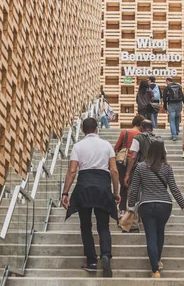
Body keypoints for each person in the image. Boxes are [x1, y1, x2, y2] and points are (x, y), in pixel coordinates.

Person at [61, 118, 120, 277]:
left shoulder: (77, 146)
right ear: (97, 129)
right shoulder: (107, 145)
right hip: (103, 186)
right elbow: (114, 170)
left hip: (84, 186)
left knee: (85, 226)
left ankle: (92, 261)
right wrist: (116, 192)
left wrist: (65, 193)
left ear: (82, 130)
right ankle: (106, 255)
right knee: (103, 226)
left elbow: (72, 171)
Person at [128, 139, 184, 278]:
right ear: (163, 152)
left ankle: (155, 270)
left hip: (147, 204)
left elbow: (134, 189)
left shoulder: (140, 167)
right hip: (165, 204)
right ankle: (157, 259)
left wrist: (131, 207)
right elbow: (174, 189)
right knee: (160, 232)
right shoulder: (167, 167)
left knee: (151, 235)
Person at [113, 114, 144, 218]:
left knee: (123, 186)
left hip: (122, 162)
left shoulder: (124, 132)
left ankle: (122, 210)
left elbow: (116, 147)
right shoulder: (141, 135)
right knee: (134, 187)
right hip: (135, 163)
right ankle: (132, 212)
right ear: (141, 125)